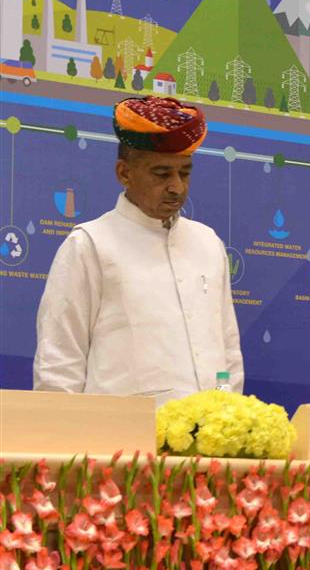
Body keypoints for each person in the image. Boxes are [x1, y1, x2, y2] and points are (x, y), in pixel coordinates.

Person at [34, 96, 242, 400]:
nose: (177, 187)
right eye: (162, 174)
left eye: (184, 173)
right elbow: (59, 362)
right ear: (124, 173)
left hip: (207, 438)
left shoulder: (207, 243)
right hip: (118, 442)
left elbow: (229, 352)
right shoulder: (90, 245)